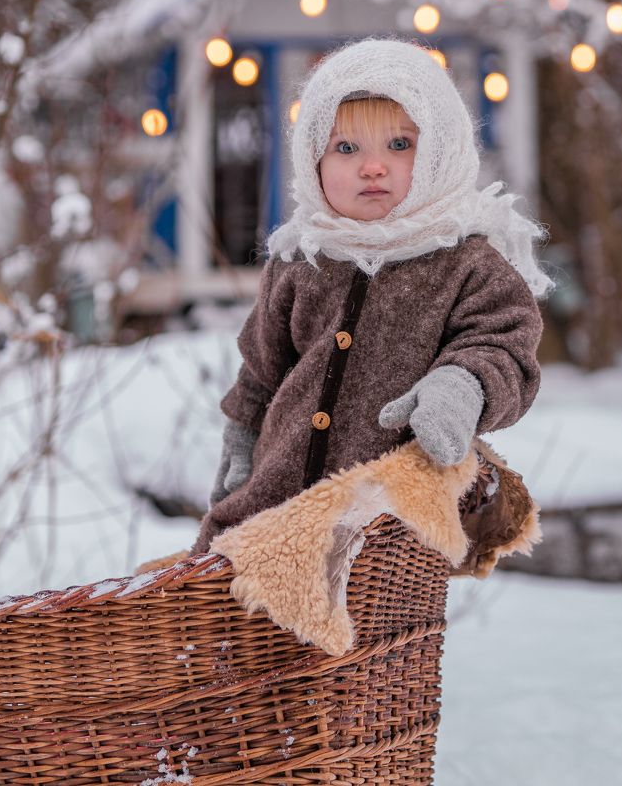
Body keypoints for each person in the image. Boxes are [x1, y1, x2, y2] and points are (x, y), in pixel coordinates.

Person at [191, 37, 552, 555]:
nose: (373, 166)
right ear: (313, 161)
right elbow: (262, 367)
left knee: (346, 601)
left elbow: (502, 347)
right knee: (221, 587)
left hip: (386, 523)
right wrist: (243, 433)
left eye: (400, 145)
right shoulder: (301, 259)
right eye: (346, 148)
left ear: (441, 151)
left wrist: (462, 385)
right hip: (273, 503)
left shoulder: (467, 264)